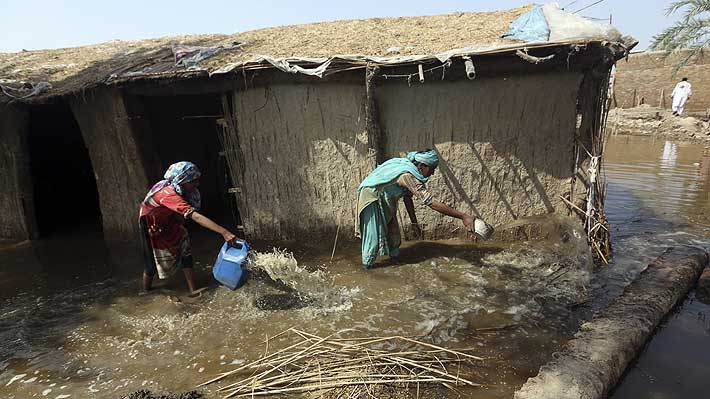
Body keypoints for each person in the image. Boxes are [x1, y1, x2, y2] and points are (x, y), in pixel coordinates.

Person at [356, 149, 493, 269]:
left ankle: (395, 263)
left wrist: (414, 223)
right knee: (372, 237)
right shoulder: (407, 176)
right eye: (432, 169)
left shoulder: (410, 170)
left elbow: (407, 198)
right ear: (421, 165)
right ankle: (367, 269)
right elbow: (430, 202)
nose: (432, 173)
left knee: (393, 233)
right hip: (371, 196)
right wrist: (463, 216)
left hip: (385, 196)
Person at [139, 161, 238, 295]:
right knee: (150, 264)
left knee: (185, 251)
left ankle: (193, 290)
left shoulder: (181, 190)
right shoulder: (168, 194)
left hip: (170, 219)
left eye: (197, 180)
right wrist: (224, 232)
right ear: (182, 180)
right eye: (193, 181)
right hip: (151, 224)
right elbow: (195, 217)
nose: (197, 184)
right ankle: (146, 291)